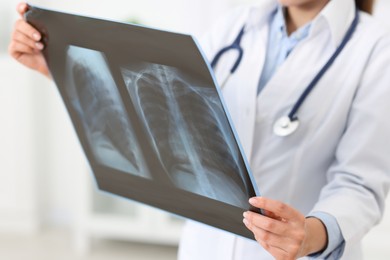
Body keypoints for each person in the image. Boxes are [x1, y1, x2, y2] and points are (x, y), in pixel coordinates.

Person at [9, 0, 390, 259]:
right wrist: (56, 67)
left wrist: (308, 234)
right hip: (205, 246)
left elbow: (360, 185)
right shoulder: (236, 26)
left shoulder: (376, 48)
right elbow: (173, 121)